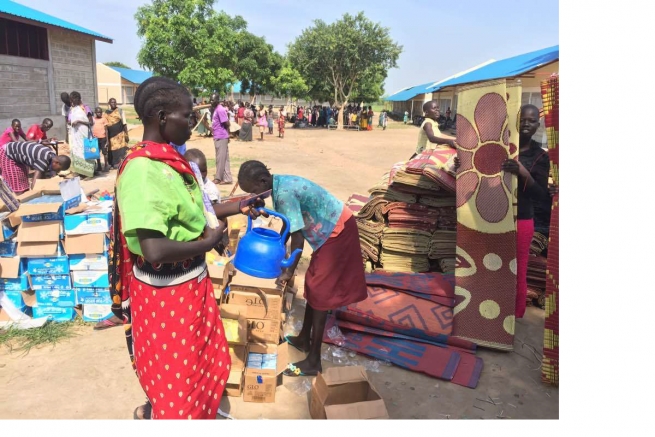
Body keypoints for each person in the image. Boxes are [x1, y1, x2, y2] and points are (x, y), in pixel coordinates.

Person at [110, 76, 267, 420]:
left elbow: (201, 213)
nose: (194, 125)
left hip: (190, 285)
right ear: (162, 117)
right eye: (187, 116)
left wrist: (238, 206)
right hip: (165, 296)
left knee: (200, 363)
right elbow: (153, 249)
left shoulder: (174, 163)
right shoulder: (142, 171)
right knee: (176, 376)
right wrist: (210, 241)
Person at [237, 161, 368, 376]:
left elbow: (298, 239)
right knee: (313, 283)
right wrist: (278, 246)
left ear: (262, 181)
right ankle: (304, 338)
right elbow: (290, 225)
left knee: (320, 291)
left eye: (253, 191)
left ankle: (314, 360)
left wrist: (288, 271)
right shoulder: (278, 185)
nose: (254, 196)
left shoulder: (284, 194)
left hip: (337, 231)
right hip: (327, 230)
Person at [500, 104, 550, 319]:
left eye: (531, 120)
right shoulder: (502, 149)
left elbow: (540, 194)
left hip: (522, 219)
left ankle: (515, 317)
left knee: (518, 271)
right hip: (495, 218)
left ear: (538, 125)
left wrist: (522, 171)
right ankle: (493, 316)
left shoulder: (540, 156)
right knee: (494, 267)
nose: (526, 124)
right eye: (522, 120)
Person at [0, 141, 70, 193]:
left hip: (17, 156)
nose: (58, 171)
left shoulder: (52, 155)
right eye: (59, 169)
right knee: (18, 186)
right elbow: (35, 183)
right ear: (57, 163)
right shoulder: (44, 158)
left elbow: (42, 175)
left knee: (24, 184)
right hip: (7, 154)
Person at [68, 91, 95, 178]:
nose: (72, 102)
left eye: (73, 100)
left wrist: (79, 121)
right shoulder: (73, 109)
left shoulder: (85, 108)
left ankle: (88, 173)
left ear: (78, 99)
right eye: (71, 100)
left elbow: (91, 122)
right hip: (76, 136)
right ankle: (80, 172)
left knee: (86, 152)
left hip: (85, 135)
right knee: (77, 152)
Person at [210, 94, 232, 185]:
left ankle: (218, 178)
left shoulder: (220, 109)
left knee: (220, 158)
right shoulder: (216, 109)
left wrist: (228, 135)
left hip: (221, 137)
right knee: (224, 158)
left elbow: (227, 123)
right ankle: (227, 178)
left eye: (212, 100)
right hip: (219, 136)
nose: (211, 102)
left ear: (217, 100)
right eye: (210, 100)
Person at [105, 98, 130, 169]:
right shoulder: (106, 113)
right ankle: (113, 163)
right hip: (111, 135)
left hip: (120, 134)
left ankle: (121, 163)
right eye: (111, 102)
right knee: (112, 149)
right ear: (109, 103)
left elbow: (124, 123)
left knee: (121, 149)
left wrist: (126, 135)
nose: (113, 103)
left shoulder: (120, 110)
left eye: (114, 102)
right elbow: (106, 125)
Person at [92, 108, 109, 172]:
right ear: (95, 113)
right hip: (96, 139)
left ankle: (106, 166)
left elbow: (106, 130)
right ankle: (99, 166)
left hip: (103, 138)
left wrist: (107, 140)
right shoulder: (93, 119)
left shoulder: (104, 119)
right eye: (98, 112)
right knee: (97, 153)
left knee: (105, 153)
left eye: (100, 112)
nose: (99, 113)